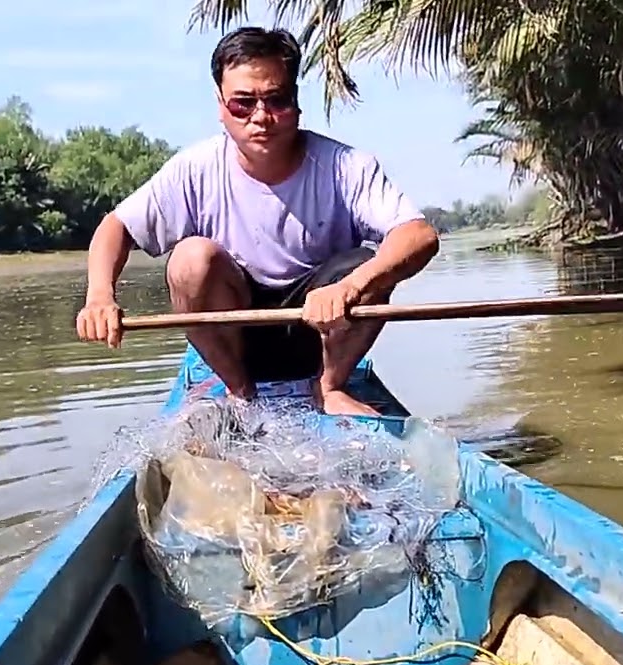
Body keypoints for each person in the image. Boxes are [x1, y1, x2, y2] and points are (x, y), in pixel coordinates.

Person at [75, 26, 439, 416]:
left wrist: (351, 287)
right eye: (243, 104)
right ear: (221, 105)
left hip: (322, 329)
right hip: (235, 333)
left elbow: (418, 235)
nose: (261, 117)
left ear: (295, 101)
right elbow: (116, 227)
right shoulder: (195, 169)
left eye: (276, 100)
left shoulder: (346, 166)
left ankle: (330, 387)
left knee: (368, 263)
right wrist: (99, 298)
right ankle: (239, 390)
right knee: (190, 259)